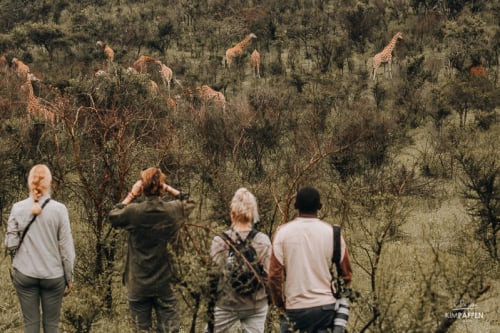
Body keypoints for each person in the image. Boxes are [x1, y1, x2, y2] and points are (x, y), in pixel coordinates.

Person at [109, 167, 194, 333]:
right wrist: (168, 188)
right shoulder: (172, 210)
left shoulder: (134, 212)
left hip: (139, 283)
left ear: (143, 188)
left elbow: (113, 214)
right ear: (161, 187)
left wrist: (132, 195)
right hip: (166, 283)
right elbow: (190, 201)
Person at [269, 186, 353, 333]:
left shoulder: (282, 233)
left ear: (295, 206)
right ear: (320, 207)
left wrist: (280, 304)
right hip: (325, 308)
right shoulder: (333, 233)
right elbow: (347, 274)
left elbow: (274, 275)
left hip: (294, 307)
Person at [4, 164, 75, 333]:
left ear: (30, 182)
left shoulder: (18, 208)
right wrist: (69, 276)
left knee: (31, 325)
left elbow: (10, 244)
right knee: (51, 325)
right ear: (49, 182)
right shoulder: (60, 209)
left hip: (25, 274)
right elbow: (66, 249)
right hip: (53, 275)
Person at [207, 187, 271, 333]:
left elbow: (213, 276)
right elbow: (269, 275)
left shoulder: (220, 241)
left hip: (228, 303)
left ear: (232, 213)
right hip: (256, 304)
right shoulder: (262, 240)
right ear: (253, 214)